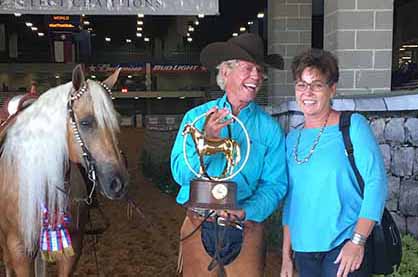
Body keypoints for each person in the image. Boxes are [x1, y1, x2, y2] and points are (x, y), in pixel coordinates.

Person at [170, 33, 288, 277]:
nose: (256, 76)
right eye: (248, 68)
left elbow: (275, 185)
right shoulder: (195, 119)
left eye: (259, 70)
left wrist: (247, 212)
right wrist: (207, 142)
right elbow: (181, 174)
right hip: (197, 222)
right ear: (225, 73)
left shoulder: (269, 129)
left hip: (247, 227)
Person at [280, 49, 388, 277]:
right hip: (303, 250)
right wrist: (285, 258)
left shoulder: (352, 126)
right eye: (301, 84)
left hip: (343, 245)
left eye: (317, 85)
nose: (307, 92)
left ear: (332, 89)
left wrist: (358, 241)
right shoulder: (292, 139)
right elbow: (292, 200)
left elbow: (376, 183)